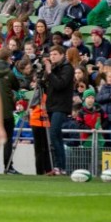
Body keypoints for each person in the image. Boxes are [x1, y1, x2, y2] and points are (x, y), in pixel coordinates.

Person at [0, 48, 21, 174]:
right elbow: (17, 87)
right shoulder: (10, 73)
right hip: (6, 111)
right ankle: (8, 167)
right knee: (7, 140)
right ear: (8, 58)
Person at [42, 45, 75, 175]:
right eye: (51, 54)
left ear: (62, 55)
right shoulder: (55, 68)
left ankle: (59, 166)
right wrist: (45, 74)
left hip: (61, 106)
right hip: (52, 105)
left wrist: (50, 72)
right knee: (57, 137)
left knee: (54, 134)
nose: (52, 57)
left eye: (55, 54)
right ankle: (60, 167)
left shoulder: (67, 68)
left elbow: (60, 85)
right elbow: (47, 85)